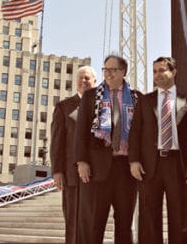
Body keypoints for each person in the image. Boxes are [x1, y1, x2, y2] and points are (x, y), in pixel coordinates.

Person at [75, 54, 142, 244]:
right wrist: (82, 161)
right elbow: (80, 132)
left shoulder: (137, 98)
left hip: (126, 169)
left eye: (113, 70)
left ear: (123, 72)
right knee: (93, 224)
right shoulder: (90, 96)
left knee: (124, 223)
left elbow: (143, 134)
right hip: (97, 169)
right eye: (105, 70)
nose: (108, 74)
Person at [129, 56, 187, 244]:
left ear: (173, 72)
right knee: (148, 215)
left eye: (162, 70)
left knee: (180, 215)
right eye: (154, 71)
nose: (157, 75)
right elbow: (135, 132)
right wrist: (134, 161)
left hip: (178, 165)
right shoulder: (145, 101)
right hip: (150, 165)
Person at [50, 66, 97, 244]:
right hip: (72, 175)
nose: (83, 81)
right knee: (73, 221)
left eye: (87, 78)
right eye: (80, 78)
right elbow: (57, 142)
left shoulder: (102, 105)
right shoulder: (64, 107)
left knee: (93, 222)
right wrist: (57, 171)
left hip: (97, 174)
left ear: (94, 82)